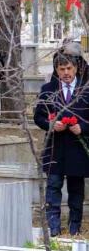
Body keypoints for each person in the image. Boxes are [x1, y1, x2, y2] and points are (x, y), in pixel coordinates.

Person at [34, 53, 89, 236]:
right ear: (56, 70)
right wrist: (50, 124)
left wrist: (82, 127)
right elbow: (38, 117)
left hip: (77, 148)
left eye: (69, 68)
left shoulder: (86, 89)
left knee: (76, 189)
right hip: (55, 148)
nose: (66, 73)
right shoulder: (48, 89)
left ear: (76, 68)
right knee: (53, 186)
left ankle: (75, 226)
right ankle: (54, 227)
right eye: (62, 69)